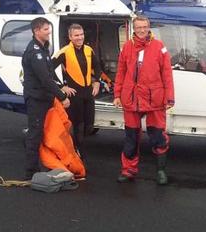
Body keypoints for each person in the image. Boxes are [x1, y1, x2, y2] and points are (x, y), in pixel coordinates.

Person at [113, 15, 174, 185]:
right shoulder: (127, 47)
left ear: (149, 27)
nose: (141, 30)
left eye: (144, 27)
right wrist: (117, 95)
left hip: (154, 99)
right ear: (134, 28)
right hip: (131, 99)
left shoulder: (159, 47)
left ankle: (161, 171)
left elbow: (167, 74)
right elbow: (121, 72)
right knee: (131, 137)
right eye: (138, 27)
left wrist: (170, 98)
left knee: (158, 136)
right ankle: (128, 170)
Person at [21, 17, 71, 180]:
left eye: (48, 28)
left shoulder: (44, 48)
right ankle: (31, 172)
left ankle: (43, 164)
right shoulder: (34, 52)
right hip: (36, 99)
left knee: (45, 133)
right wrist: (62, 96)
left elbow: (50, 75)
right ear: (36, 31)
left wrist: (61, 86)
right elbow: (44, 79)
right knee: (35, 134)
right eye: (45, 29)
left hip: (45, 98)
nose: (49, 32)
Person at [52, 23, 103, 156]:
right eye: (76, 35)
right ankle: (77, 153)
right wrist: (62, 86)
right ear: (70, 37)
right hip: (74, 94)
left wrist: (97, 82)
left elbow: (98, 67)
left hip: (88, 93)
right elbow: (47, 69)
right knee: (78, 126)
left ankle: (78, 148)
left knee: (90, 126)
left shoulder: (88, 50)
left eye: (81, 34)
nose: (79, 37)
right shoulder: (64, 52)